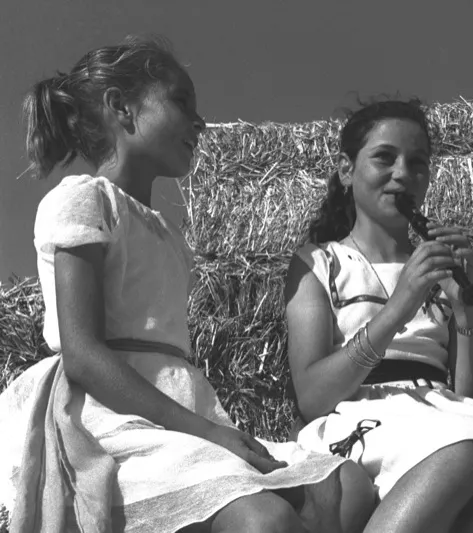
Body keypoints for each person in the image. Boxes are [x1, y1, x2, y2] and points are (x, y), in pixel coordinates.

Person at [0, 36, 375, 533]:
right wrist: (207, 432)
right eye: (181, 101)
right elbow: (84, 355)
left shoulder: (163, 231)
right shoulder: (83, 200)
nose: (200, 122)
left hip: (180, 408)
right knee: (262, 521)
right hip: (112, 416)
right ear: (121, 108)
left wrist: (207, 426)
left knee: (347, 485)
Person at [284, 99, 473, 533]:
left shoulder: (437, 267)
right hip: (363, 411)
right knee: (459, 449)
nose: (403, 173)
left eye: (417, 163)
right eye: (385, 157)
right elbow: (311, 396)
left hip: (441, 408)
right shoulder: (319, 263)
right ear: (347, 170)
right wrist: (400, 305)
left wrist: (466, 307)